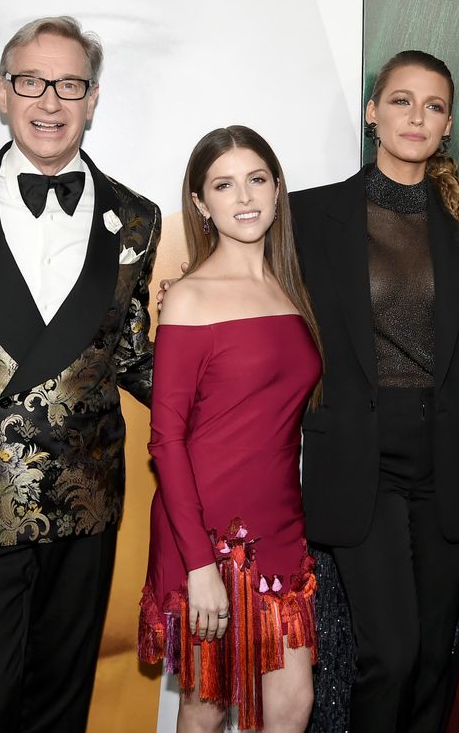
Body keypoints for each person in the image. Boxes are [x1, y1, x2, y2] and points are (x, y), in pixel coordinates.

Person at [0, 16, 160, 732]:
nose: (49, 101)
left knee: (59, 706)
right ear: (2, 92)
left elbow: (131, 352)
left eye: (69, 84)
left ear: (93, 97)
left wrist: (226, 385)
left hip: (85, 503)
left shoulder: (136, 219)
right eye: (31, 81)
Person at [290, 50, 459, 732]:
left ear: (447, 125)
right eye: (401, 100)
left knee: (433, 658)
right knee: (389, 651)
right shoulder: (309, 216)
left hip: (450, 456)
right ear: (372, 112)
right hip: (360, 454)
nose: (417, 117)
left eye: (434, 105)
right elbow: (270, 315)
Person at [138, 125, 321, 732]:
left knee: (292, 706)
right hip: (210, 536)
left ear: (277, 188)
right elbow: (166, 440)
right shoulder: (189, 298)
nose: (244, 197)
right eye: (224, 184)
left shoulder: (289, 287)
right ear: (200, 202)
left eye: (256, 179)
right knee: (207, 706)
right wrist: (198, 567)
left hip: (281, 528)